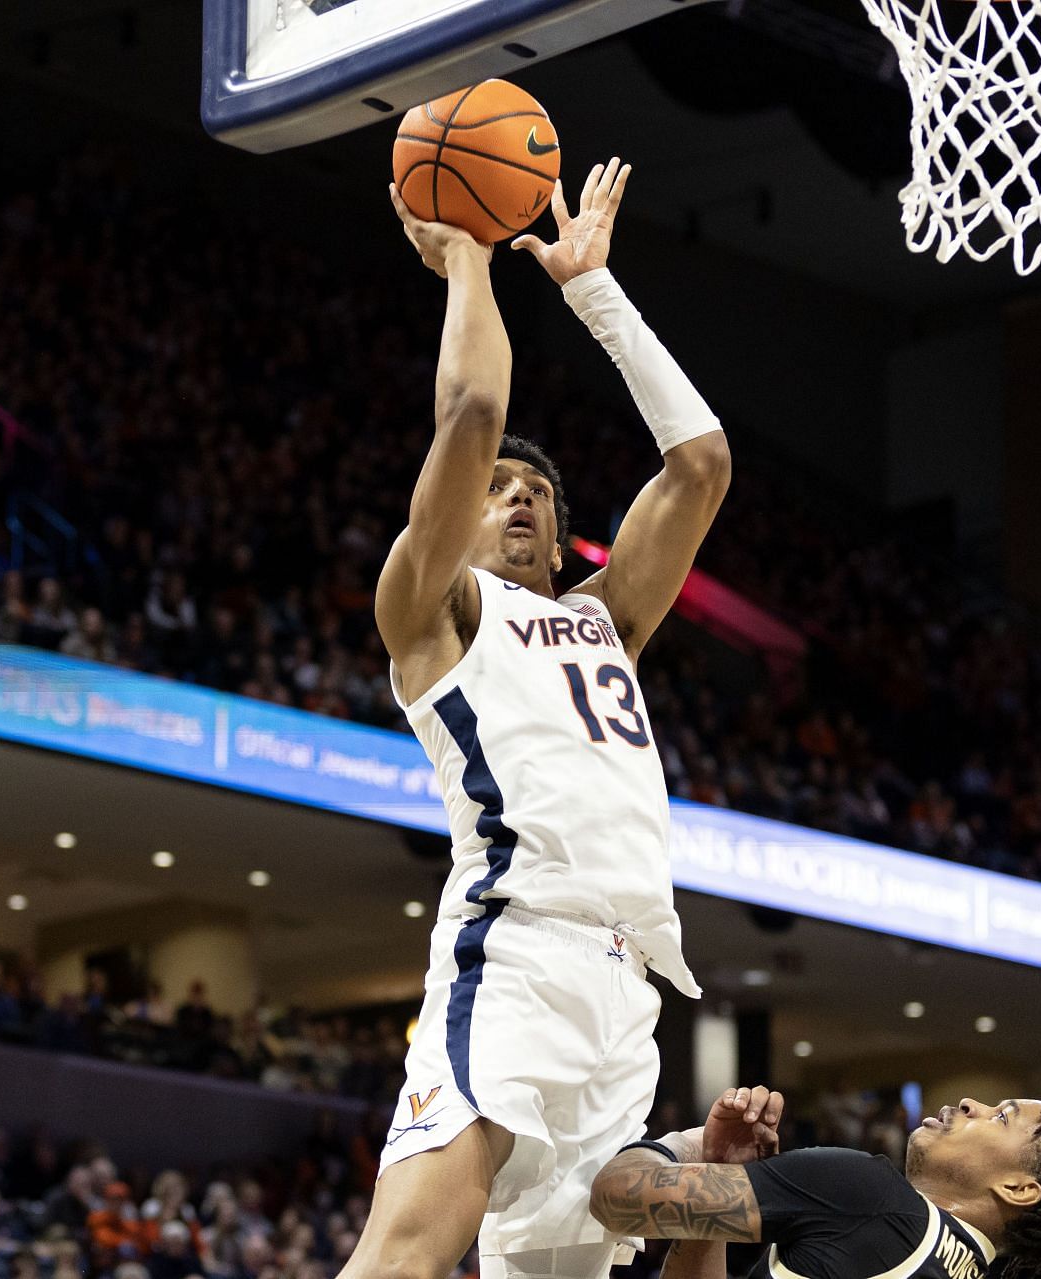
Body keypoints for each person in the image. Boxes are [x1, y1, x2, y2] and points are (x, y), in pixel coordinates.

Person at [352, 156, 730, 1279]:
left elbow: (700, 463)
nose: (517, 495)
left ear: (563, 542)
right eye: (494, 490)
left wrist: (594, 292)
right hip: (510, 955)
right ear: (447, 521)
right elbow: (473, 408)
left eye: (539, 496)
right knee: (406, 1257)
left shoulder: (603, 618)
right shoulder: (431, 613)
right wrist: (468, 258)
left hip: (627, 994)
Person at [589, 1087, 1041, 1279]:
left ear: (1020, 1189)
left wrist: (687, 1149)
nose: (970, 1103)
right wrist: (718, 1178)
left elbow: (615, 1197)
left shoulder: (866, 1194)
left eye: (1002, 1117)